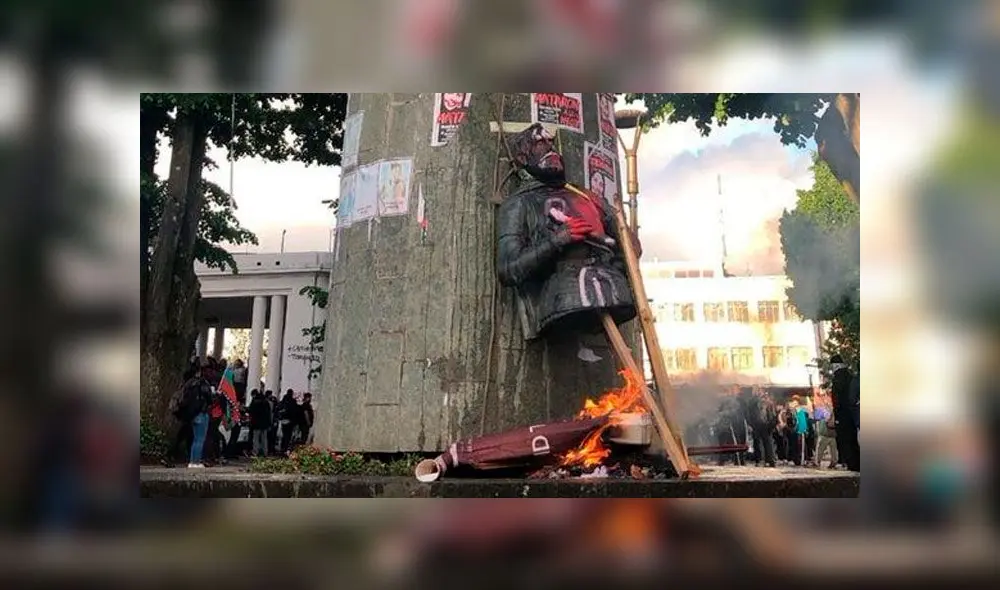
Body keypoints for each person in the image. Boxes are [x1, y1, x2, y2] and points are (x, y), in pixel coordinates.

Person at [830, 355, 860, 471]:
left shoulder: (837, 379)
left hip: (842, 415)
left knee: (844, 440)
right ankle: (857, 462)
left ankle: (850, 463)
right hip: (852, 415)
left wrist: (836, 413)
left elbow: (836, 399)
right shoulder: (850, 376)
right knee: (853, 439)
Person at [178, 366, 212, 468]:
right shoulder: (203, 384)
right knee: (200, 439)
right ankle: (196, 462)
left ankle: (192, 461)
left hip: (192, 414)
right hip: (201, 413)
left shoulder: (189, 384)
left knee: (195, 439)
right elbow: (209, 399)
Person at [746, 388, 778, 467]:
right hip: (757, 424)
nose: (759, 393)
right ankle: (759, 460)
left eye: (760, 391)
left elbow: (773, 414)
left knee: (767, 443)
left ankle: (770, 460)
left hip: (766, 425)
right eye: (757, 391)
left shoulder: (769, 402)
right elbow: (750, 413)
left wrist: (772, 424)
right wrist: (750, 424)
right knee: (757, 443)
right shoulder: (753, 402)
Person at [813, 401, 839, 468]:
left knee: (820, 449)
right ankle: (834, 462)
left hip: (825, 433)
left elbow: (817, 418)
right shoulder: (835, 411)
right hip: (833, 434)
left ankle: (817, 461)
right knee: (833, 450)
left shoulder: (824, 411)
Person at [248, 389, 271, 457]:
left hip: (256, 423)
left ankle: (255, 452)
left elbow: (251, 411)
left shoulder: (254, 402)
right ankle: (265, 452)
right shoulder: (265, 402)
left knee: (256, 438)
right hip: (265, 423)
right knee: (264, 438)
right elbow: (268, 413)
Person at [277, 390, 301, 454]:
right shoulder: (293, 402)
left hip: (283, 420)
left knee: (284, 435)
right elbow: (295, 412)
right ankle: (286, 448)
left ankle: (282, 448)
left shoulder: (283, 401)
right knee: (288, 436)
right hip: (290, 421)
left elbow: (278, 409)